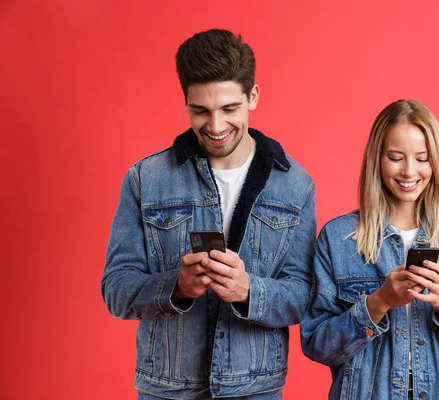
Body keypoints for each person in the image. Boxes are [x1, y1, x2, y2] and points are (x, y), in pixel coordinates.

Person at [101, 29, 316, 399]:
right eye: (200, 110)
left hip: (255, 389)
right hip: (166, 389)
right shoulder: (145, 179)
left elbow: (304, 294)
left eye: (229, 109)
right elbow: (116, 289)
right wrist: (177, 287)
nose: (215, 127)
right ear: (185, 102)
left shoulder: (295, 184)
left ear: (253, 97)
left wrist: (250, 291)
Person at [300, 99, 439, 399]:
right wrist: (378, 303)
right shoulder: (338, 238)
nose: (409, 171)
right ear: (377, 159)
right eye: (396, 157)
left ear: (436, 161)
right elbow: (316, 344)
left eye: (422, 158)